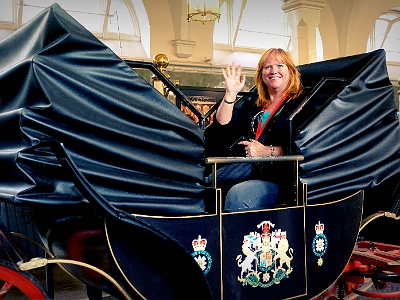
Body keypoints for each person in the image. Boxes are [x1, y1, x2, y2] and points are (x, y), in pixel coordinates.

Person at [205, 48, 304, 211]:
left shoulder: (301, 105)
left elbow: (306, 146)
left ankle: (230, 237)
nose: (273, 71)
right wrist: (230, 94)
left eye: (280, 65)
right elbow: (223, 125)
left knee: (239, 195)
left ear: (291, 71)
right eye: (267, 67)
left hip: (279, 178)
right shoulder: (255, 104)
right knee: (205, 184)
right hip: (246, 170)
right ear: (261, 74)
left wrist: (267, 151)